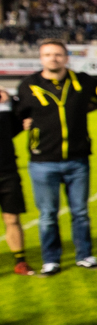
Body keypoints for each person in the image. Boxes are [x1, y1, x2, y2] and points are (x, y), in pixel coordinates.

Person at [17, 39, 97, 274]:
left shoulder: (82, 81)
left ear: (66, 58)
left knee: (80, 213)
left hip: (77, 160)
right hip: (43, 161)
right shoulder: (29, 85)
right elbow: (19, 116)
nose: (53, 58)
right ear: (41, 58)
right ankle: (51, 259)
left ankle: (85, 256)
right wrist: (24, 123)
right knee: (47, 215)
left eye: (57, 54)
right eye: (47, 54)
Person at [0, 88, 33, 275]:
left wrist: (8, 105)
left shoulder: (5, 105)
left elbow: (13, 129)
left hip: (7, 171)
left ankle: (20, 261)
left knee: (12, 218)